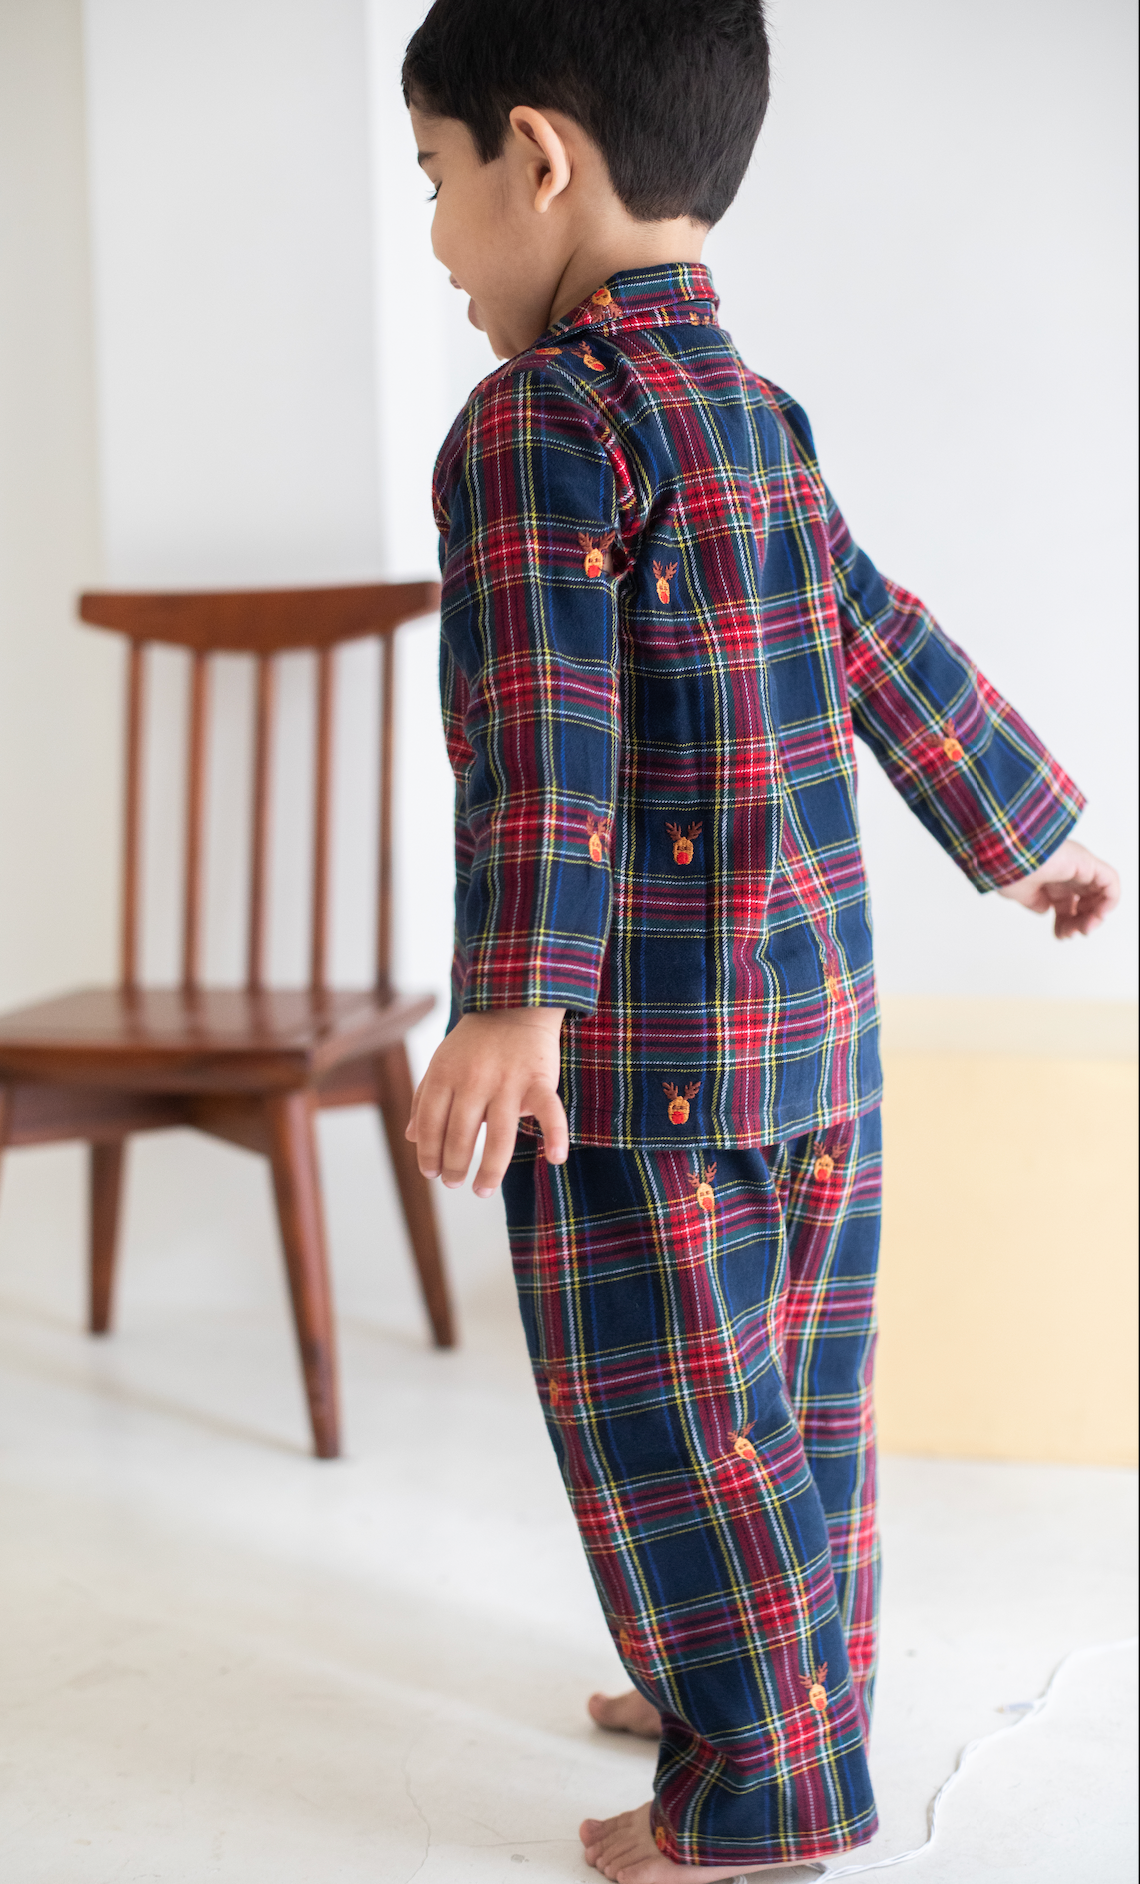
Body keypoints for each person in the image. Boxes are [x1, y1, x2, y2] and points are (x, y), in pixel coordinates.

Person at [398, 3, 1121, 1879]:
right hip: (816, 1032)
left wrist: (514, 999)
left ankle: (765, 1795)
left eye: (437, 182)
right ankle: (743, 1678)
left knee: (668, 1419)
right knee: (788, 1406)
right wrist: (1027, 828)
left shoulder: (532, 427)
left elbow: (544, 732)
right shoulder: (754, 414)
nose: (436, 241)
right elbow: (879, 633)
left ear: (537, 158)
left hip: (638, 1055)